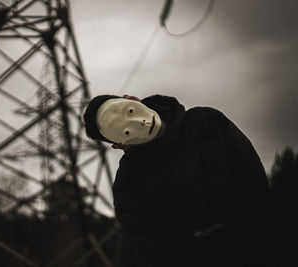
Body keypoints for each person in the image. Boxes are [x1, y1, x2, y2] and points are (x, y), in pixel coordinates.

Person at [83, 94, 271, 266]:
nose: (138, 122)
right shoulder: (128, 186)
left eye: (129, 111)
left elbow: (255, 186)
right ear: (118, 145)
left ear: (132, 98)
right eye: (124, 131)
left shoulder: (207, 122)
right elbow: (152, 251)